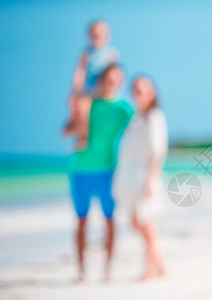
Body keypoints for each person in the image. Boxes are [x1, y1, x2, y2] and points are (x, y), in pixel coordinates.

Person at [69, 64, 133, 282]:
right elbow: (66, 129)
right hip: (80, 170)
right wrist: (77, 130)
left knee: (110, 220)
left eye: (116, 80)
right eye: (107, 79)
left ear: (121, 82)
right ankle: (81, 268)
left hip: (108, 171)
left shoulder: (125, 109)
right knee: (81, 221)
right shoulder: (87, 104)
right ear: (100, 80)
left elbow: (139, 133)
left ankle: (108, 268)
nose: (111, 83)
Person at [113, 76, 168, 280]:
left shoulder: (154, 116)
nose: (138, 93)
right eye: (135, 89)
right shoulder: (136, 118)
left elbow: (158, 151)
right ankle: (160, 265)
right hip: (132, 179)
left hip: (145, 178)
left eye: (142, 89)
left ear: (152, 93)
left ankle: (150, 270)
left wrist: (151, 180)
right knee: (137, 222)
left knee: (147, 225)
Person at [64, 20, 119, 149]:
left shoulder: (111, 53)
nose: (97, 37)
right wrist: (75, 89)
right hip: (88, 89)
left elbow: (116, 73)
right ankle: (73, 123)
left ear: (107, 35)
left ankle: (83, 137)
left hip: (102, 88)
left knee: (84, 106)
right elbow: (80, 72)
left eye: (100, 34)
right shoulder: (86, 53)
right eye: (94, 34)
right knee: (73, 101)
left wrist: (114, 91)